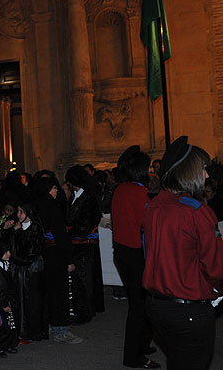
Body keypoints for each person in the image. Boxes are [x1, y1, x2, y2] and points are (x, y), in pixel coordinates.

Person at [143, 136, 223, 370]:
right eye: (203, 169)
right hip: (188, 308)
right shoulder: (197, 212)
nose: (206, 176)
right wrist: (216, 290)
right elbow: (215, 266)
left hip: (157, 306)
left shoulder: (153, 206)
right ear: (189, 172)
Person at [111, 146, 159, 369]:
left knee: (140, 301)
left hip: (122, 251)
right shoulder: (138, 192)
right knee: (139, 306)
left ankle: (142, 343)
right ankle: (133, 355)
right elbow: (146, 225)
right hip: (135, 252)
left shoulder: (120, 189)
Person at [31, 176, 82, 344]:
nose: (57, 191)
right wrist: (69, 258)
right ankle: (61, 330)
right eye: (54, 188)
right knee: (59, 292)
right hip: (56, 254)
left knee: (48, 292)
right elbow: (61, 235)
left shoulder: (36, 204)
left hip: (42, 255)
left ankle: (51, 327)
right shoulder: (51, 206)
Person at [65, 165, 103, 324]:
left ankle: (85, 311)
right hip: (77, 243)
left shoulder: (88, 197)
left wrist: (69, 230)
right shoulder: (75, 195)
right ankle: (81, 308)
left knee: (84, 278)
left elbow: (86, 223)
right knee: (78, 278)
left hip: (85, 244)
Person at [10, 202, 47, 341]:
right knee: (20, 299)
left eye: (22, 211)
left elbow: (30, 251)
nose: (19, 215)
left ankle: (35, 330)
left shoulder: (36, 228)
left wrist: (19, 232)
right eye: (18, 211)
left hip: (32, 270)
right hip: (20, 269)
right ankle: (22, 330)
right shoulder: (16, 226)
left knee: (33, 301)